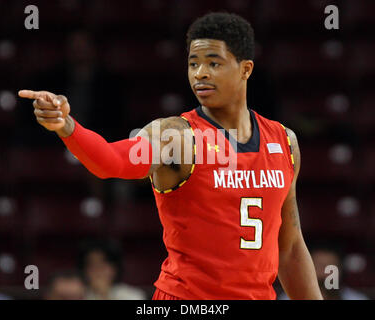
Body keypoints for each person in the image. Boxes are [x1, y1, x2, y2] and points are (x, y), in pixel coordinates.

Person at [18, 12, 322, 300]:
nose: (200, 73)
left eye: (213, 63)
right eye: (193, 64)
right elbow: (110, 162)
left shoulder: (284, 141)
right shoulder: (176, 136)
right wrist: (67, 126)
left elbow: (291, 247)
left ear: (246, 69)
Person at [77, 240, 147, 300]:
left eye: (103, 264)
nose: (98, 270)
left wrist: (104, 295)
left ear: (115, 268)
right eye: (92, 264)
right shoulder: (76, 295)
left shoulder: (133, 295)